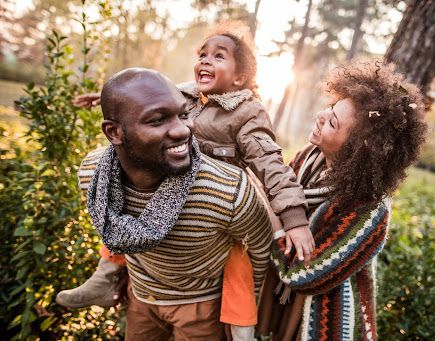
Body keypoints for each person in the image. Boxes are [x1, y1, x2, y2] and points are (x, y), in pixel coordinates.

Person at [58, 23, 314, 340]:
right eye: (202, 54)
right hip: (170, 180)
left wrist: (293, 217)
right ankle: (104, 275)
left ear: (239, 78)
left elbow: (269, 163)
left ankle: (242, 327)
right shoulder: (188, 94)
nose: (205, 60)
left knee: (238, 261)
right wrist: (106, 98)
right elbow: (140, 102)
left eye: (219, 56)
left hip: (216, 198)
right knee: (119, 199)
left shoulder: (247, 112)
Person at [74, 67, 272, 340]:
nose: (183, 130)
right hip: (141, 297)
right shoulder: (93, 174)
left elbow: (259, 253)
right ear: (114, 133)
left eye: (183, 114)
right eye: (157, 120)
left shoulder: (228, 190)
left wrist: (239, 311)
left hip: (201, 307)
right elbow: (116, 230)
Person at [257, 61, 428, 341]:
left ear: (356, 150)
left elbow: (307, 276)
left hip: (312, 311)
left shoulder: (369, 211)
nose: (321, 115)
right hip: (275, 297)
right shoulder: (308, 157)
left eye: (332, 121)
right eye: (331, 107)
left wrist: (276, 218)